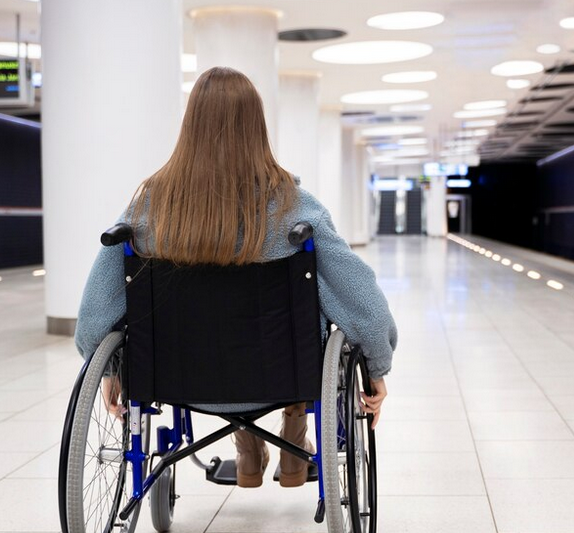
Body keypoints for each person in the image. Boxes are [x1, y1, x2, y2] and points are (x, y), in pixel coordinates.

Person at [74, 66, 397, 489]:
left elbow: (97, 309)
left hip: (177, 379)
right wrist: (377, 362)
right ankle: (293, 432)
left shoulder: (148, 210)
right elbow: (360, 300)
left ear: (189, 127)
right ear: (257, 128)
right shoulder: (296, 209)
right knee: (283, 332)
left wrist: (105, 365)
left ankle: (248, 448)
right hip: (282, 376)